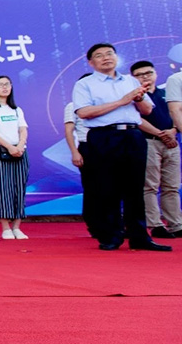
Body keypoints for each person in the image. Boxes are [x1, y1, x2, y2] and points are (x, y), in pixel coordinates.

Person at [72, 43, 170, 252]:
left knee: (135, 188)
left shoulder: (130, 81)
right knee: (107, 187)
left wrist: (139, 99)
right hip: (104, 136)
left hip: (133, 135)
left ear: (117, 57)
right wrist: (121, 101)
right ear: (91, 62)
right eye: (99, 55)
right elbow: (84, 112)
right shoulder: (85, 84)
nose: (106, 58)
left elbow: (146, 110)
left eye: (110, 54)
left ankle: (139, 237)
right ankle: (112, 236)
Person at [129, 61, 181, 239]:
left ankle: (176, 224)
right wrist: (160, 134)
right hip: (148, 142)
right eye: (139, 75)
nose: (145, 77)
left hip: (172, 143)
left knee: (172, 186)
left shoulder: (167, 93)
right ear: (133, 78)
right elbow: (135, 119)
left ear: (156, 74)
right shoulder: (134, 97)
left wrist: (174, 130)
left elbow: (178, 112)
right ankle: (155, 224)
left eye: (148, 73)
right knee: (149, 186)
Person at [0, 76, 30, 240]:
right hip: (0, 151)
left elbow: (23, 129)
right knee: (3, 189)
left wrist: (20, 145)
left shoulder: (16, 109)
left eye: (7, 84)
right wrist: (9, 147)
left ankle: (17, 227)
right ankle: (6, 228)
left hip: (20, 152)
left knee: (19, 188)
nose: (4, 87)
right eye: (1, 85)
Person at [63, 74, 92, 235]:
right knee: (92, 187)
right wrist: (75, 152)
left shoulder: (106, 104)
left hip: (109, 147)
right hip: (87, 147)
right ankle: (93, 223)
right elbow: (69, 130)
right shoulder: (73, 105)